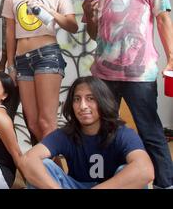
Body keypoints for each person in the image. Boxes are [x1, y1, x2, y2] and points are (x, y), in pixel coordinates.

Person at [82, 0, 173, 189]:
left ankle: (165, 184)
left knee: (151, 131)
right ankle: (108, 183)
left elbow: (163, 18)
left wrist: (171, 57)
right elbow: (94, 34)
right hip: (104, 73)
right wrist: (88, 13)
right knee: (103, 133)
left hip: (139, 72)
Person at [2, 0, 78, 144]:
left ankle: (56, 174)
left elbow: (72, 25)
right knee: (33, 124)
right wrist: (10, 64)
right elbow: (10, 30)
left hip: (47, 55)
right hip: (21, 59)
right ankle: (50, 172)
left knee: (47, 122)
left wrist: (50, 10)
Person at [21, 76, 154, 189]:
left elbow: (145, 170)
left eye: (90, 98)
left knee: (130, 171)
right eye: (77, 99)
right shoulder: (65, 134)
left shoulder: (122, 133)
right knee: (43, 165)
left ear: (103, 101)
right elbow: (28, 160)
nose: (83, 106)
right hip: (74, 186)